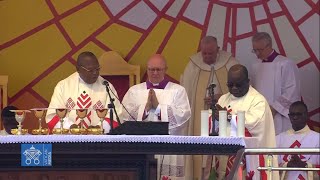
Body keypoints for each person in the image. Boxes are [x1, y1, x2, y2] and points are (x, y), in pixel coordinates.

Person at [121, 54, 191, 180]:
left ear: (166, 69)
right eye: (151, 69)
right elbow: (124, 116)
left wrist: (158, 107)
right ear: (147, 70)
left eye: (158, 69)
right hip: (141, 146)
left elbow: (183, 116)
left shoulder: (177, 91)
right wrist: (146, 108)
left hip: (168, 147)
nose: (154, 73)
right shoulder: (135, 91)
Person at [180, 36, 238, 179]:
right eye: (204, 53)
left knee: (222, 155)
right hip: (199, 117)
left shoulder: (230, 63)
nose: (206, 57)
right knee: (202, 153)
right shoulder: (193, 64)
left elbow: (241, 90)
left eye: (210, 53)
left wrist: (223, 97)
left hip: (224, 116)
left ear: (218, 50)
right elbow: (185, 93)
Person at [206, 64, 279, 180]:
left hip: (248, 159)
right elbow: (211, 123)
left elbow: (253, 125)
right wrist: (214, 117)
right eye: (230, 85)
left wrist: (228, 117)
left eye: (238, 84)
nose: (234, 88)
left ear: (248, 81)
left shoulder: (257, 100)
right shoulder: (223, 99)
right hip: (224, 156)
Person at [46, 51, 122, 133]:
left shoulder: (106, 86)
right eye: (90, 70)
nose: (95, 73)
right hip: (69, 139)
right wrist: (71, 127)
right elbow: (53, 115)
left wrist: (98, 128)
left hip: (98, 139)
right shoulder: (63, 86)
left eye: (97, 69)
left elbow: (116, 114)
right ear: (78, 69)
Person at [251, 32, 301, 135]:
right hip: (261, 115)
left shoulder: (285, 64)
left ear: (269, 46)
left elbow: (291, 91)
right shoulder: (255, 66)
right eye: (254, 50)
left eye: (259, 50)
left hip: (280, 116)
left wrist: (274, 108)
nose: (257, 54)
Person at [276, 101, 319, 180]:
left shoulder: (317, 139)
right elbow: (271, 168)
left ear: (306, 115)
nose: (295, 117)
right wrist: (287, 165)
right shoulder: (278, 139)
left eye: (298, 114)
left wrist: (304, 165)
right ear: (289, 116)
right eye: (292, 114)